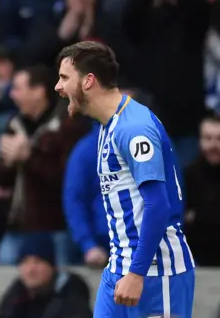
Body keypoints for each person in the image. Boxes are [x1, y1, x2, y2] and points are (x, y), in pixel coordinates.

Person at [54, 41, 195, 318]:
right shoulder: (107, 126)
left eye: (64, 78)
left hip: (155, 272)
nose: (58, 87)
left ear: (88, 81)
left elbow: (158, 205)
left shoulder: (135, 128)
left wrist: (137, 273)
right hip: (119, 266)